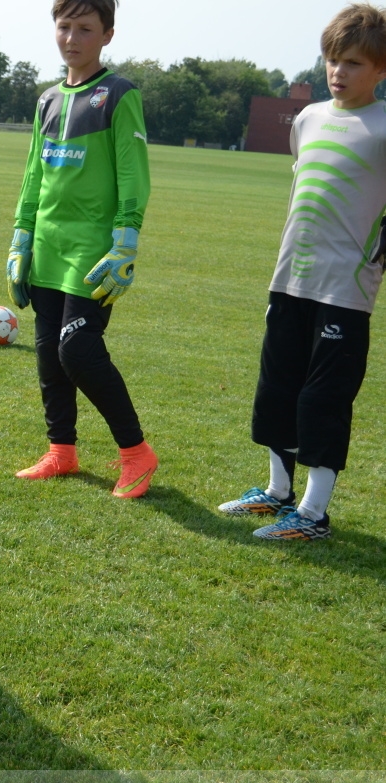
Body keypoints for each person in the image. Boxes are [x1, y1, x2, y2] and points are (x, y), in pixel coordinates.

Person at [218, 4, 386, 541]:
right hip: (290, 278)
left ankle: (313, 515)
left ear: (381, 69)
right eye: (333, 60)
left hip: (345, 289)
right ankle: (278, 492)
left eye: (354, 62)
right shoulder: (309, 117)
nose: (338, 72)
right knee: (278, 390)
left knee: (322, 400)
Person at [5, 0, 158, 498]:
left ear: (107, 35)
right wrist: (21, 235)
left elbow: (134, 172)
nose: (72, 38)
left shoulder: (119, 94)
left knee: (78, 350)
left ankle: (136, 453)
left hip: (94, 253)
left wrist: (126, 240)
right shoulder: (47, 99)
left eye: (85, 29)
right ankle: (61, 452)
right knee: (50, 355)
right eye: (64, 26)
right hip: (48, 247)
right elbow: (34, 173)